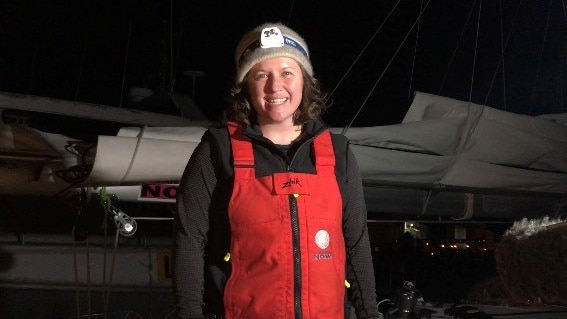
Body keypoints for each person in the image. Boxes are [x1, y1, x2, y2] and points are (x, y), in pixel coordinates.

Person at [173, 22, 381, 319]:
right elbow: (189, 239)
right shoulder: (218, 150)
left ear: (304, 81)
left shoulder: (337, 152)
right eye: (261, 75)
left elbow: (357, 240)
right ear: (246, 86)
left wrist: (369, 313)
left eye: (286, 72)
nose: (275, 86)